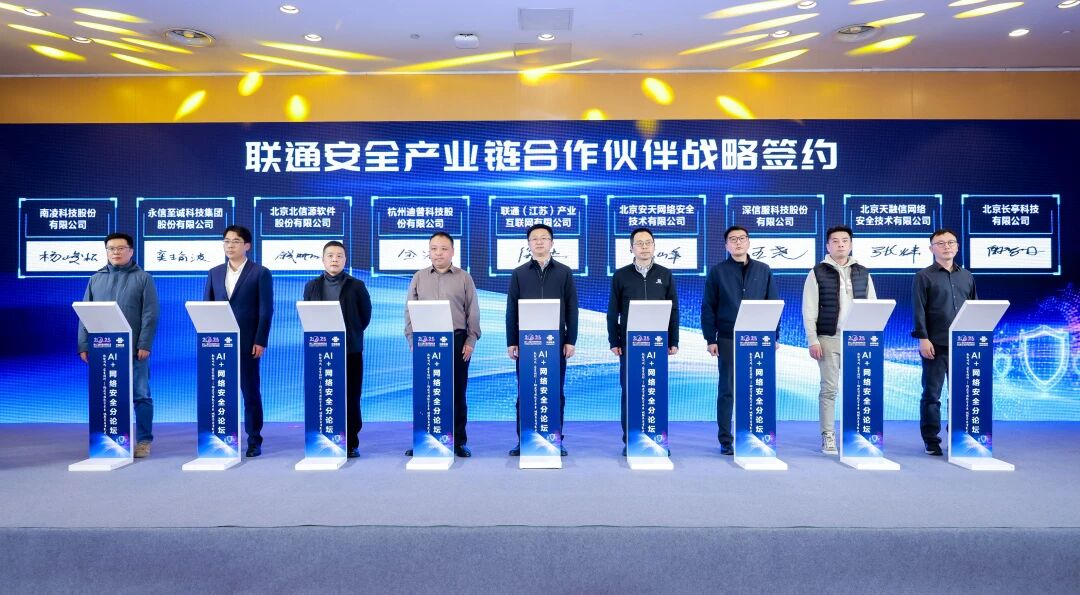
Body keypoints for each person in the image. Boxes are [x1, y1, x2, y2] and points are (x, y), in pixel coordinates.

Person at [77, 233, 160, 458]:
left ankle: (144, 441)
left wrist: (144, 343)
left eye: (121, 248)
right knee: (108, 394)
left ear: (131, 251)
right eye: (111, 248)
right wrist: (83, 344)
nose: (116, 252)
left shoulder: (143, 278)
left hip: (134, 349)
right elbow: (85, 313)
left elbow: (150, 314)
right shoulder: (96, 279)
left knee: (141, 395)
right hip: (103, 349)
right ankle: (110, 438)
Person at [701, 225, 779, 456]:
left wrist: (774, 336)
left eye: (742, 238)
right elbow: (708, 307)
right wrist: (710, 338)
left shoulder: (763, 270)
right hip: (728, 338)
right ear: (726, 245)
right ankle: (726, 440)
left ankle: (757, 435)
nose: (738, 242)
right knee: (727, 391)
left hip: (759, 339)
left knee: (757, 388)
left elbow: (773, 303)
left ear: (748, 242)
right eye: (733, 239)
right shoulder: (718, 272)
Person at [404, 232, 481, 458]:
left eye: (444, 249)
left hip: (457, 341)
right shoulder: (419, 277)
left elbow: (472, 310)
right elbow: (409, 310)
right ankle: (424, 439)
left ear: (452, 252)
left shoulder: (464, 277)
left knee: (457, 393)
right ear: (429, 251)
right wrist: (412, 340)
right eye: (434, 248)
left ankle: (458, 442)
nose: (438, 253)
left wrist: (471, 340)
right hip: (426, 342)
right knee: (427, 392)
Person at [801, 225, 877, 455]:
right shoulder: (817, 272)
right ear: (828, 245)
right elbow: (809, 309)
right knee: (829, 389)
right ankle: (828, 435)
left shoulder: (863, 272)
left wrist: (871, 336)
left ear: (851, 244)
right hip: (828, 338)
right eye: (835, 241)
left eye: (845, 240)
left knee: (859, 389)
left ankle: (857, 434)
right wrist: (813, 340)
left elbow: (873, 306)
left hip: (858, 340)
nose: (840, 244)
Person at [506, 224, 579, 457]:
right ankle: (524, 440)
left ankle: (555, 439)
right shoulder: (519, 273)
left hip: (556, 342)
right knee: (526, 392)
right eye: (534, 238)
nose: (539, 242)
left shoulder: (564, 272)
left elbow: (572, 308)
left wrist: (571, 340)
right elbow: (511, 310)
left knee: (555, 391)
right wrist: (512, 341)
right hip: (526, 343)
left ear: (552, 243)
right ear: (528, 244)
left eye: (544, 238)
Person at [607, 227, 679, 455]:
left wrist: (673, 340)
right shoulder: (621, 275)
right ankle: (631, 441)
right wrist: (614, 340)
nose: (644, 247)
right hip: (630, 344)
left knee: (655, 389)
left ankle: (658, 439)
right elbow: (613, 312)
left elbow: (673, 310)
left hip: (658, 343)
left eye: (648, 242)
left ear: (654, 246)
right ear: (631, 248)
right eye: (639, 243)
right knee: (630, 392)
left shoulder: (665, 274)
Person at [204, 225, 274, 458]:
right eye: (226, 241)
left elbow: (266, 310)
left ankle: (254, 440)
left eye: (235, 241)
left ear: (247, 245)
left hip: (247, 343)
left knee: (250, 393)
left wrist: (260, 340)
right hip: (219, 344)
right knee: (220, 392)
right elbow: (208, 307)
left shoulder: (260, 272)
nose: (230, 245)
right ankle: (222, 437)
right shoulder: (214, 273)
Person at [302, 241, 372, 459]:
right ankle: (323, 438)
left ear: (345, 260)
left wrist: (350, 334)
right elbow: (308, 315)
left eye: (339, 256)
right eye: (330, 255)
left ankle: (350, 442)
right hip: (320, 352)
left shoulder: (356, 285)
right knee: (323, 395)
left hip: (350, 351)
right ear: (323, 260)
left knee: (351, 396)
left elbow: (365, 316)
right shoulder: (312, 286)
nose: (335, 259)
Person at [912, 228, 977, 456]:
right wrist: (923, 338)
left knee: (962, 394)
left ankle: (958, 436)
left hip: (963, 345)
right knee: (932, 395)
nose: (946, 246)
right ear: (932, 249)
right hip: (935, 344)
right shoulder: (924, 276)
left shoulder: (967, 276)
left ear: (957, 247)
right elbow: (919, 310)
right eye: (940, 243)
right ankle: (931, 440)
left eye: (951, 242)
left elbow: (974, 308)